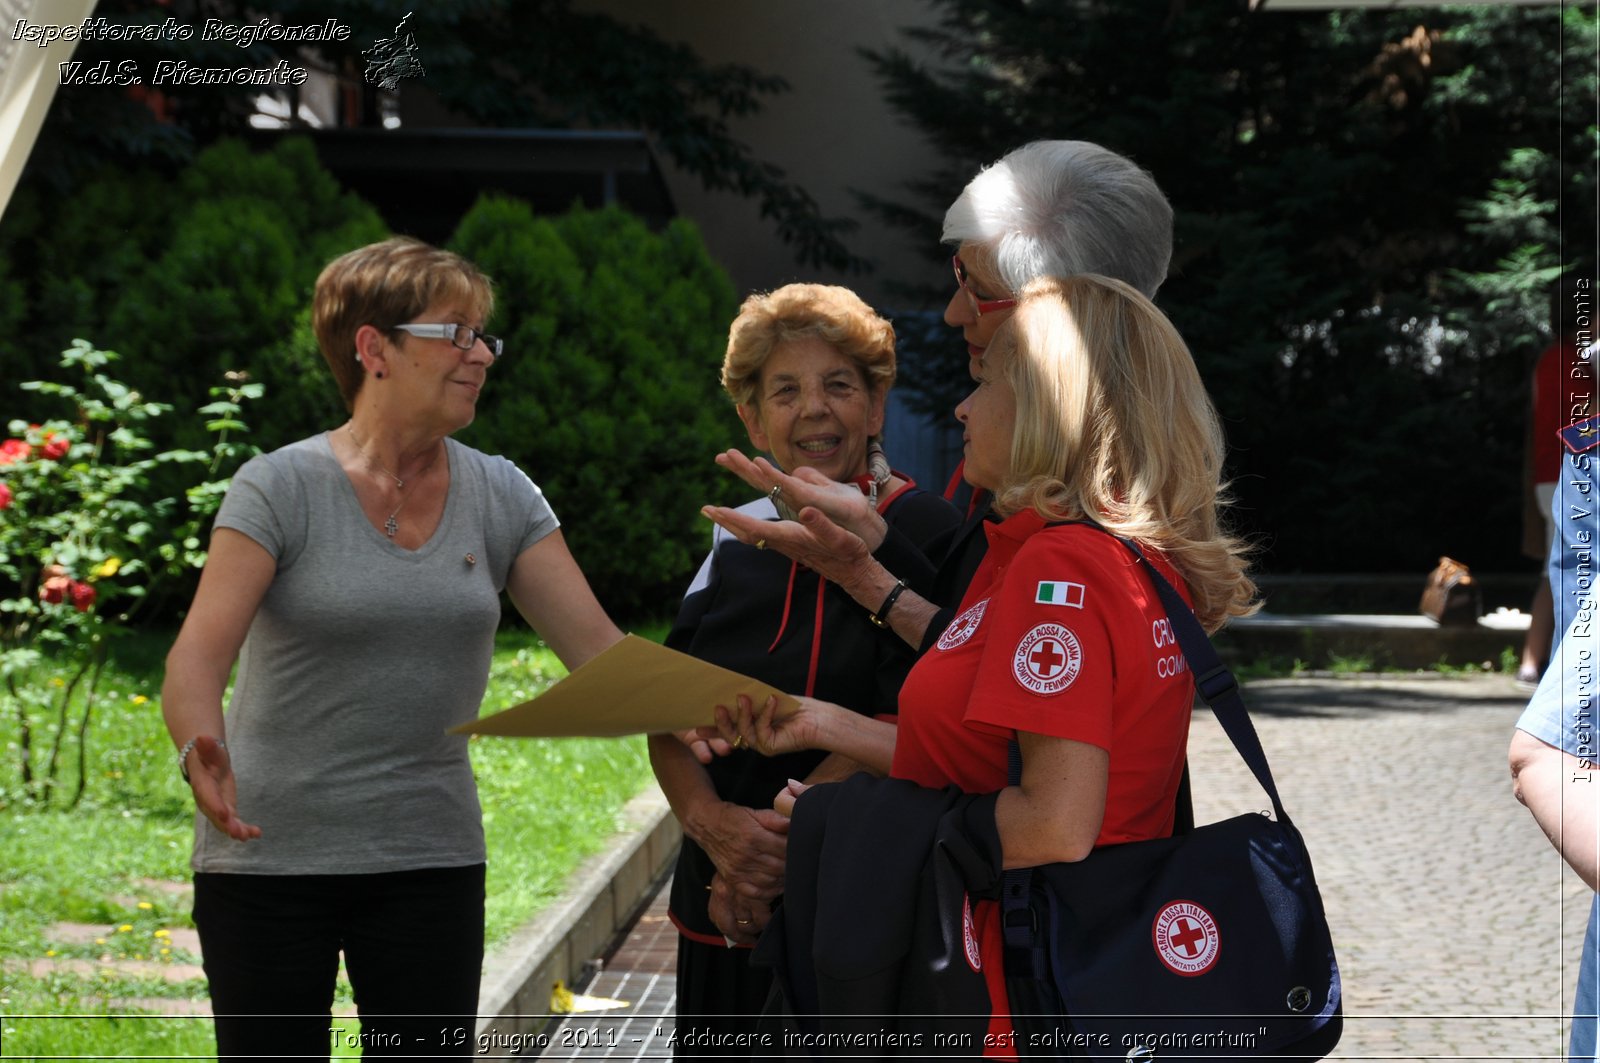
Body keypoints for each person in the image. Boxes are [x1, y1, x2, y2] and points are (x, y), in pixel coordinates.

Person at [709, 275, 1256, 1050]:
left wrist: (841, 818)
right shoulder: (1115, 552)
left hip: (1010, 985)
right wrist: (823, 722)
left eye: (989, 380)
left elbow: (1055, 822)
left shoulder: (1058, 570)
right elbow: (989, 759)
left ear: (1046, 402)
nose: (964, 407)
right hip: (1076, 963)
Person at [160, 237, 622, 1060]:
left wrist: (719, 706)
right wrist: (200, 743)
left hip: (427, 858)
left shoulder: (501, 492)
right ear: (374, 347)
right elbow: (196, 658)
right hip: (269, 859)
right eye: (457, 333)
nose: (481, 353)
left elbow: (602, 654)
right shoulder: (278, 487)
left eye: (485, 335)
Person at [705, 140, 1175, 652]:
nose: (954, 312)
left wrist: (819, 723)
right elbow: (961, 631)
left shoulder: (1079, 503)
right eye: (959, 275)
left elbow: (995, 698)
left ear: (1064, 310)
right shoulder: (1032, 452)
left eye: (981, 290)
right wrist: (870, 541)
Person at [649, 284, 960, 1054]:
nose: (813, 409)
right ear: (752, 419)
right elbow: (665, 714)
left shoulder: (930, 535)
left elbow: (923, 718)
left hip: (860, 916)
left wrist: (768, 854)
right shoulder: (735, 535)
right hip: (718, 906)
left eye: (839, 385)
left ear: (877, 406)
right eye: (784, 391)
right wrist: (715, 831)